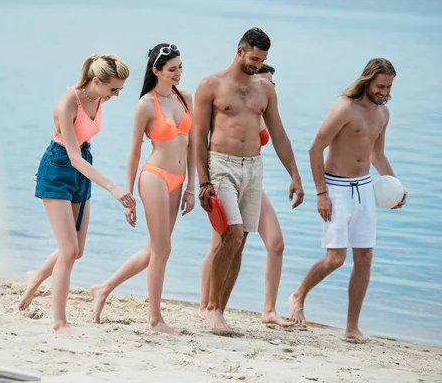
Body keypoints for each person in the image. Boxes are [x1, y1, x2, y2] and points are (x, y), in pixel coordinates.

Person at [288, 58, 407, 342]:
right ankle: (298, 295)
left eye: (388, 87)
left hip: (364, 188)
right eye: (379, 86)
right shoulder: (345, 107)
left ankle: (352, 328)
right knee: (335, 259)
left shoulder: (383, 113)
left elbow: (377, 155)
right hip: (337, 188)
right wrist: (321, 193)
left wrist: (397, 188)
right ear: (367, 81)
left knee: (364, 257)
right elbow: (315, 148)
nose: (383, 91)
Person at [194, 28, 304, 330]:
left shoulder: (265, 90)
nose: (257, 65)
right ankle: (212, 308)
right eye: (254, 58)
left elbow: (279, 134)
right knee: (232, 233)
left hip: (253, 167)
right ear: (240, 50)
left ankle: (220, 310)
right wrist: (202, 180)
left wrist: (295, 175)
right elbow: (198, 136)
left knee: (240, 242)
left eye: (262, 60)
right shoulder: (210, 85)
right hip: (221, 165)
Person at [19, 54, 136, 335]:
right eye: (113, 89)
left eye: (120, 89)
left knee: (76, 250)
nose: (117, 95)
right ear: (96, 81)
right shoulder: (67, 102)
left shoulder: (98, 97)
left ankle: (35, 278)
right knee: (68, 250)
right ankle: (60, 322)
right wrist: (114, 188)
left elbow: (82, 146)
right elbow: (70, 156)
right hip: (61, 167)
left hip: (82, 165)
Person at [90, 43, 195, 335]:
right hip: (154, 177)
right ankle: (154, 319)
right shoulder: (146, 105)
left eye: (180, 67)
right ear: (156, 71)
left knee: (153, 251)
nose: (178, 73)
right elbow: (134, 152)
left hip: (179, 180)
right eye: (172, 69)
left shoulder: (185, 98)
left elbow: (193, 144)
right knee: (163, 249)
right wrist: (128, 194)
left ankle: (103, 288)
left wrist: (191, 186)